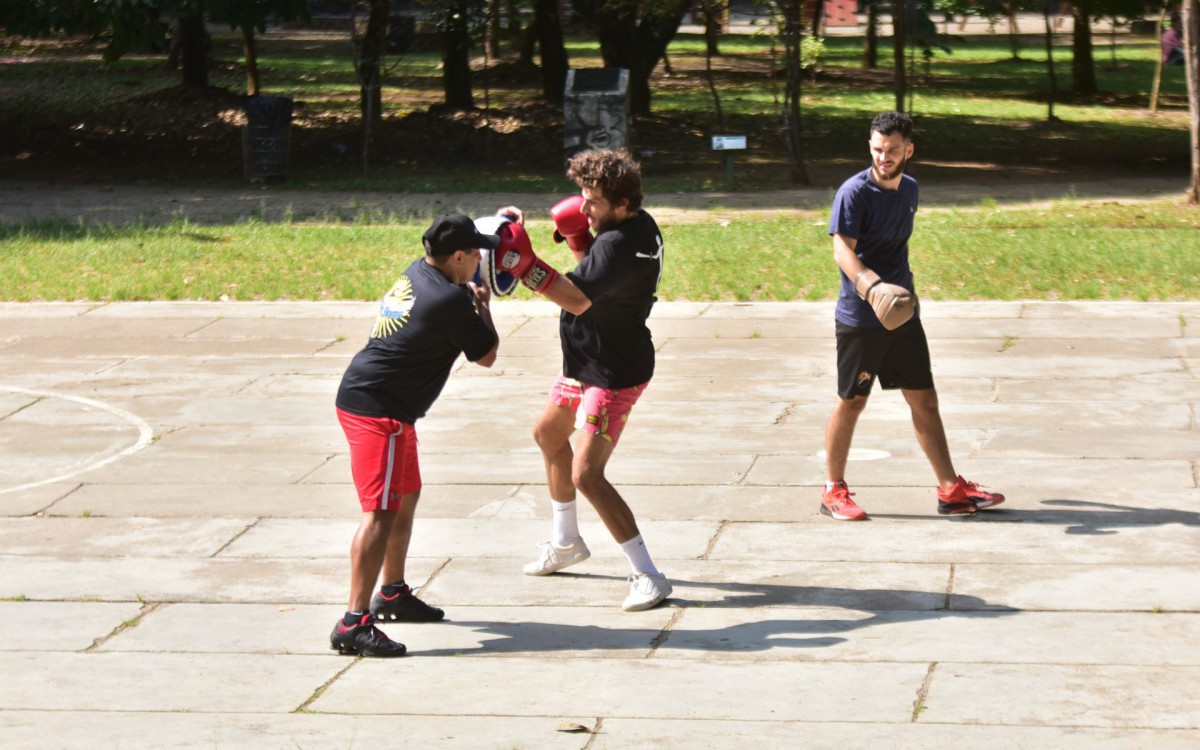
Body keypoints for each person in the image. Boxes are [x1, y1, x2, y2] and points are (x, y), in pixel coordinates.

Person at [494, 149, 671, 612]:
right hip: (586, 361)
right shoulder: (636, 226)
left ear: (622, 204)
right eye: (583, 197)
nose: (584, 208)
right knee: (549, 434)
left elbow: (574, 298)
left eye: (592, 201)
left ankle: (647, 574)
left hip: (614, 373)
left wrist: (522, 264)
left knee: (587, 474)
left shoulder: (618, 244)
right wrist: (573, 237)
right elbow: (596, 276)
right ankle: (566, 541)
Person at [330, 212, 505, 657]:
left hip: (381, 403)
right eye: (477, 254)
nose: (481, 261)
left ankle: (391, 594)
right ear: (460, 256)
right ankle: (353, 622)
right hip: (379, 412)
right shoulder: (451, 301)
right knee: (379, 513)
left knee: (406, 495)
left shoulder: (420, 270)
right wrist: (483, 303)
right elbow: (486, 354)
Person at [821, 111, 1004, 522]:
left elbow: (895, 247)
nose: (883, 157)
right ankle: (833, 489)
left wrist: (902, 294)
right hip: (861, 316)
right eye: (877, 149)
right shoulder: (854, 192)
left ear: (908, 150)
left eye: (891, 150)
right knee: (852, 402)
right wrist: (872, 287)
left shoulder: (911, 190)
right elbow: (841, 250)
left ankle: (950, 490)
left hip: (902, 314)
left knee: (925, 400)